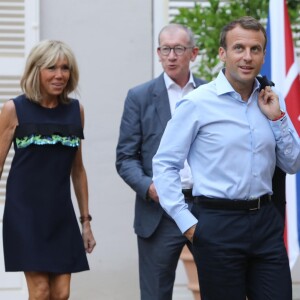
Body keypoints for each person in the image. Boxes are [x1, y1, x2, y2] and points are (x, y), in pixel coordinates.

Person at [153, 16, 300, 300]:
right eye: (239, 48)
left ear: (263, 55)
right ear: (223, 53)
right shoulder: (197, 103)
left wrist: (278, 118)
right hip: (217, 225)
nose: (247, 57)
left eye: (255, 49)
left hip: (266, 224)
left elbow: (293, 163)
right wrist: (188, 224)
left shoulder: (271, 98)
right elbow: (164, 165)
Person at [0, 40, 96, 300]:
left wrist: (85, 222)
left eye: (65, 68)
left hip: (60, 213)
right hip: (25, 214)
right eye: (51, 68)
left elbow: (78, 170)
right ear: (36, 71)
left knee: (62, 294)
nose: (59, 75)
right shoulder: (14, 109)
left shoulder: (76, 111)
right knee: (41, 291)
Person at [116, 24, 205, 300]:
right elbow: (126, 158)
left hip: (207, 206)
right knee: (155, 293)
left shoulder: (210, 94)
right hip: (158, 211)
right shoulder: (140, 97)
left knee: (220, 287)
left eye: (179, 49)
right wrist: (151, 187)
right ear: (158, 52)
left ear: (193, 53)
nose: (171, 56)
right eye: (165, 49)